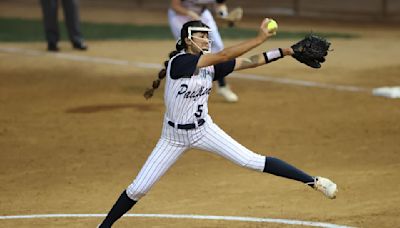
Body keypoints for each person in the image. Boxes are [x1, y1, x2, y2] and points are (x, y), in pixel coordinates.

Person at [98, 19, 338, 228]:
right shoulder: (180, 63)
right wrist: (259, 38)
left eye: (206, 35)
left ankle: (314, 182)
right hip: (172, 138)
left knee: (250, 160)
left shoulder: (209, 66)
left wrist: (287, 50)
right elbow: (225, 55)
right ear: (186, 40)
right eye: (200, 36)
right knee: (138, 189)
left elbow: (251, 62)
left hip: (204, 130)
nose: (205, 39)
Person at [168, 0, 238, 102]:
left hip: (202, 14)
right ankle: (185, 85)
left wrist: (224, 15)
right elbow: (175, 5)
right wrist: (190, 13)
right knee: (189, 48)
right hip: (180, 16)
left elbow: (219, 4)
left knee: (217, 47)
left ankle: (222, 86)